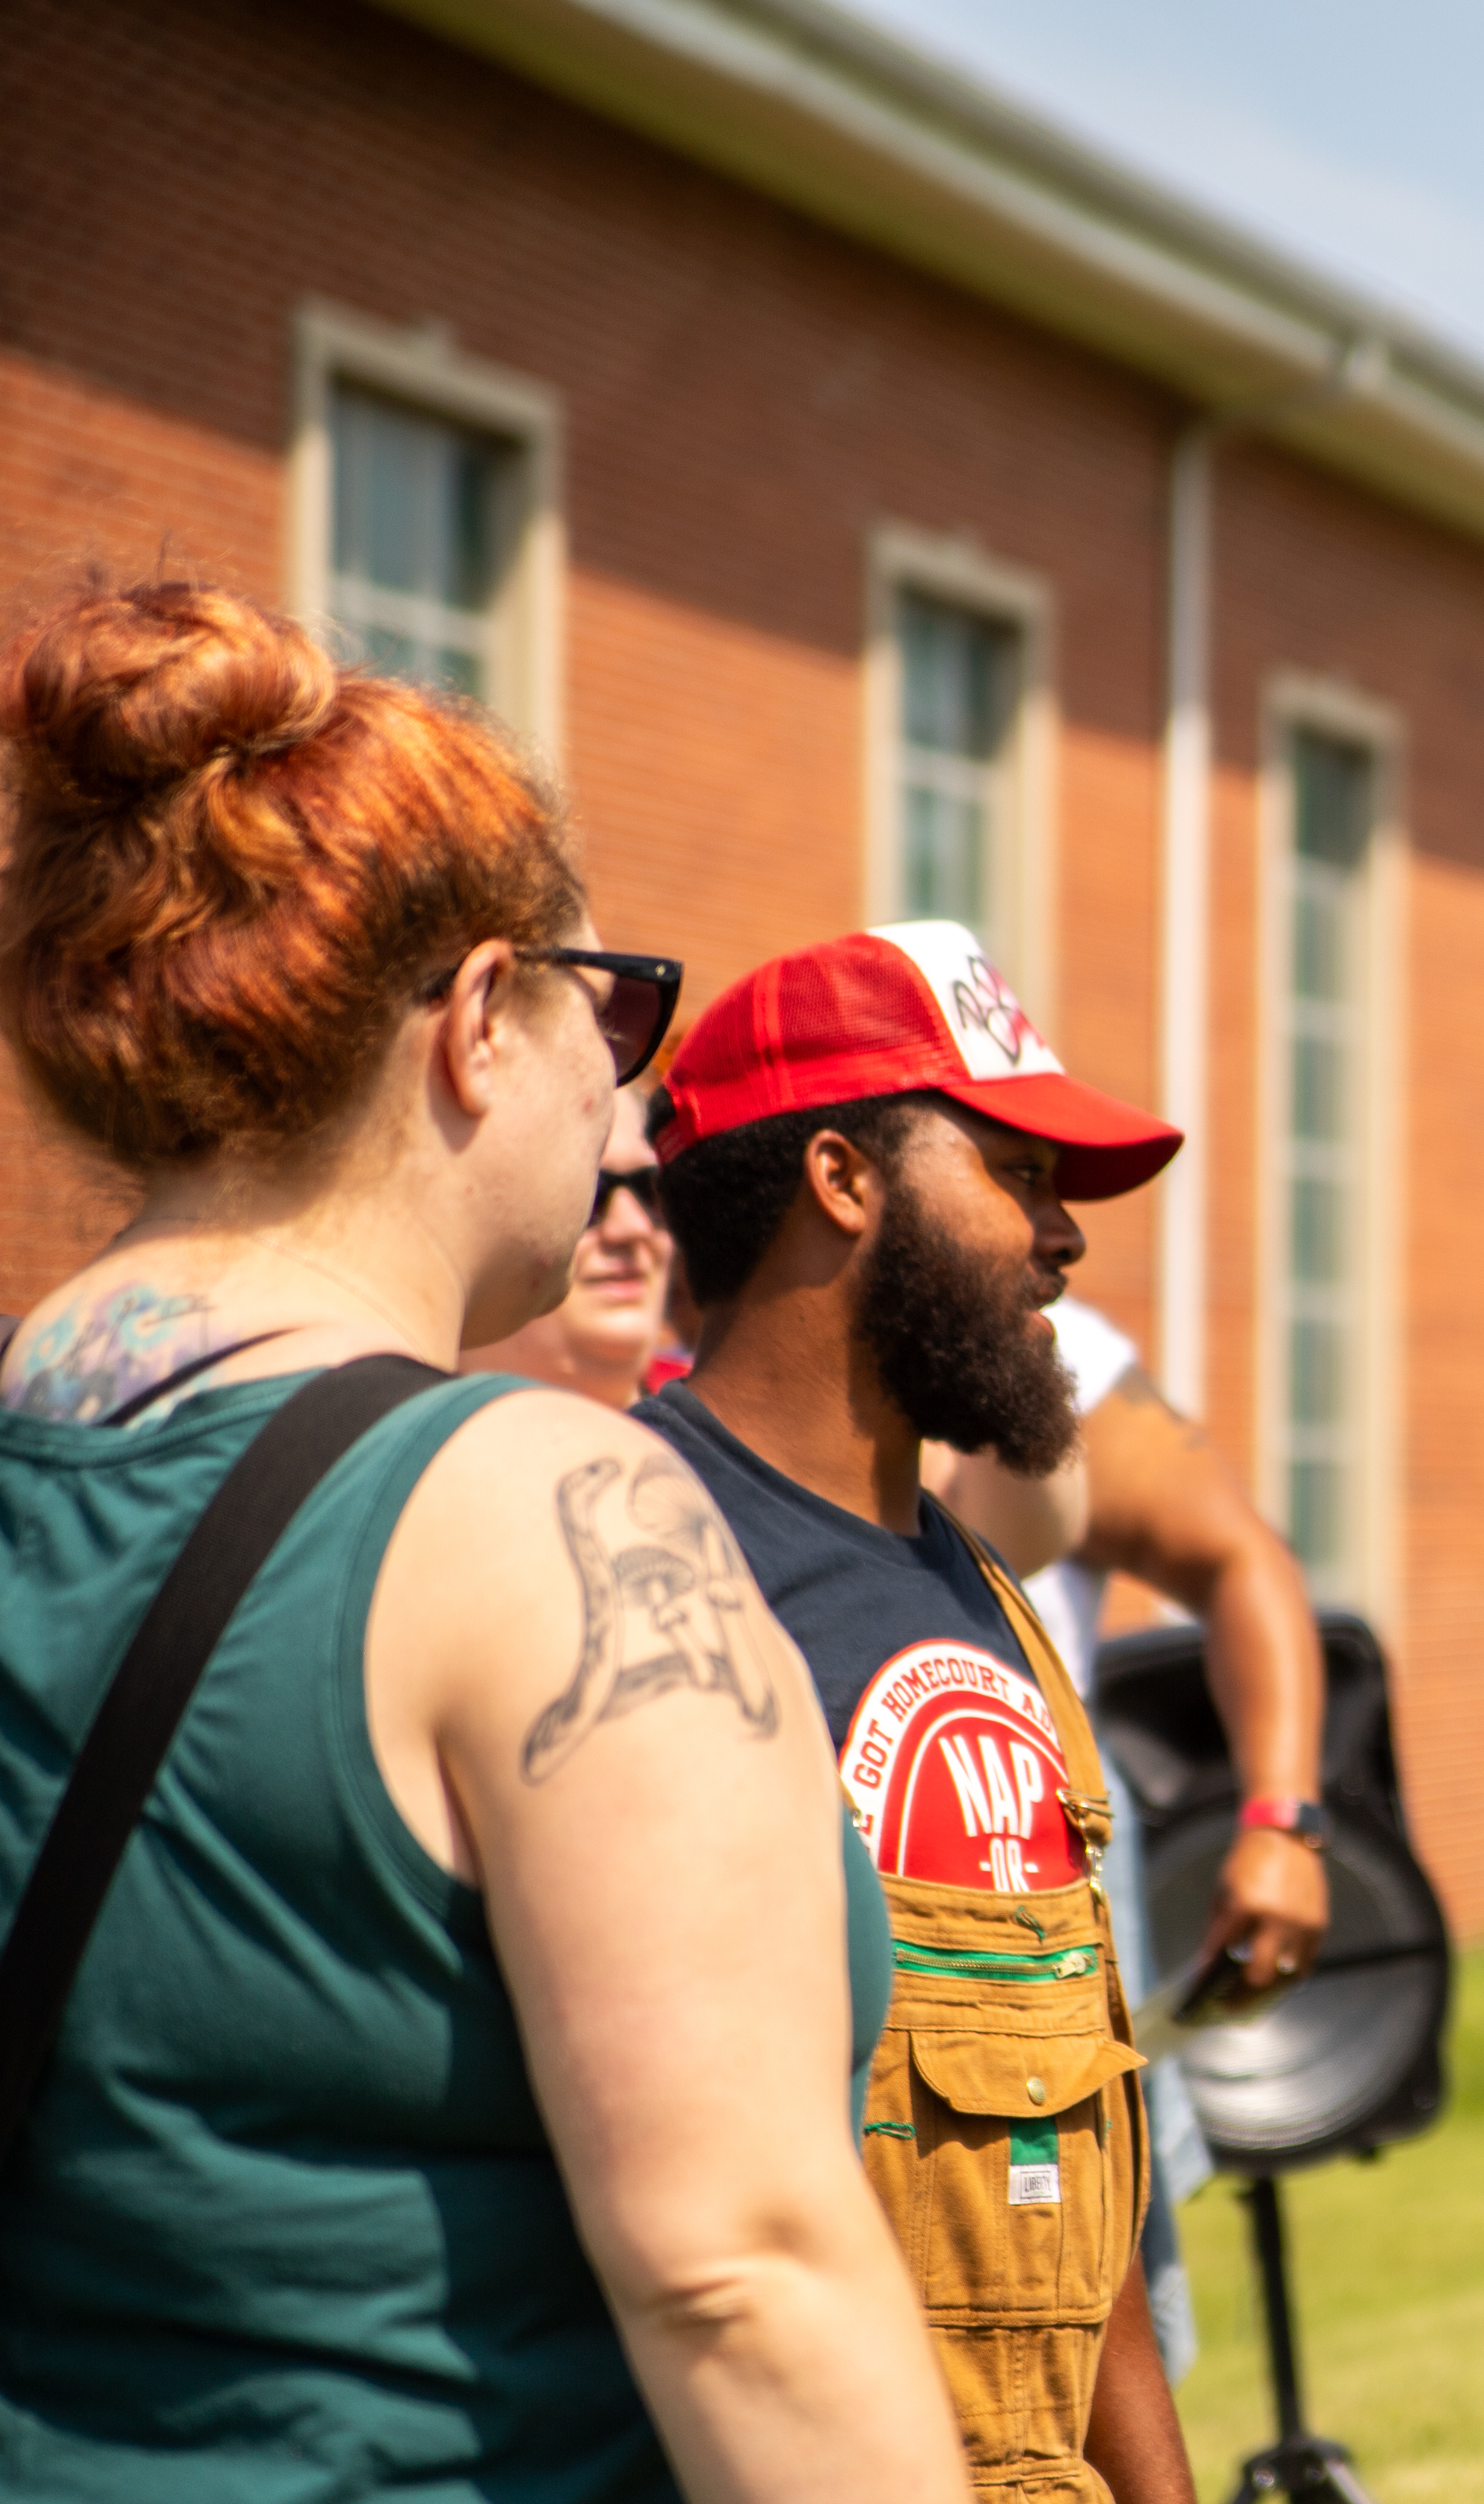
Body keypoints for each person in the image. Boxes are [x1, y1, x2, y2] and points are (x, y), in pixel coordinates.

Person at [0, 582, 962, 2499]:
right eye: (607, 1017)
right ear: (473, 1028)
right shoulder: (540, 1509)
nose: (629, 1111)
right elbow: (742, 2276)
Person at [638, 918, 1207, 2504]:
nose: (1063, 1238)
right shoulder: (630, 1557)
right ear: (844, 1180)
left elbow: (1081, 2211)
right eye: (1014, 1173)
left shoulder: (994, 1603)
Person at [923, 1294, 1330, 2379]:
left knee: (1094, 2343)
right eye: (1021, 1174)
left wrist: (1284, 1819)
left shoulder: (1061, 1353)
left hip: (1056, 1906)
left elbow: (1241, 1558)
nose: (1059, 1229)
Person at [459, 1088, 674, 1405]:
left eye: (650, 1187)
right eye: (589, 1192)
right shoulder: (382, 1442)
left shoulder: (733, 1431)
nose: (632, 1227)